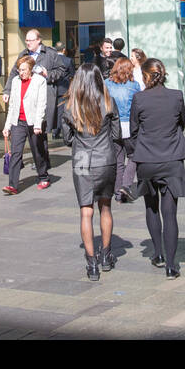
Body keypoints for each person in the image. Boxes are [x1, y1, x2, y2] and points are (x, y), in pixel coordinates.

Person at [128, 58, 185, 278]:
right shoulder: (176, 96)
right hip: (172, 159)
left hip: (147, 158)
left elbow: (134, 130)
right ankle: (172, 265)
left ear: (146, 76)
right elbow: (181, 124)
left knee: (151, 206)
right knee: (170, 212)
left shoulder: (139, 98)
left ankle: (157, 253)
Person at [62, 64, 122, 281]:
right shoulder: (108, 102)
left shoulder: (70, 106)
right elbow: (116, 133)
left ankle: (92, 263)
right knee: (105, 207)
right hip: (105, 158)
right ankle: (106, 255)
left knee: (85, 211)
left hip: (82, 159)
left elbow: (67, 139)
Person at [1, 55, 49, 193]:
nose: (20, 72)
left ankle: (43, 176)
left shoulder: (39, 81)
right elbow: (12, 106)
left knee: (37, 151)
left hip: (34, 122)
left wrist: (38, 124)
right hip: (18, 122)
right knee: (16, 153)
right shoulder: (15, 81)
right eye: (19, 70)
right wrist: (7, 126)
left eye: (23, 70)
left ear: (31, 69)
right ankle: (12, 185)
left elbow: (41, 104)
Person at [16, 29, 72, 139]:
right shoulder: (23, 54)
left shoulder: (50, 53)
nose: (28, 43)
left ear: (39, 40)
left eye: (31, 40)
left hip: (44, 95)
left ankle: (41, 155)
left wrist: (48, 74)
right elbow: (14, 72)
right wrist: (8, 91)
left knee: (40, 134)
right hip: (26, 96)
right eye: (26, 40)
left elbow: (61, 71)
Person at [105, 57, 142, 203]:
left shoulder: (107, 84)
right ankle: (125, 185)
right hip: (129, 125)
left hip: (112, 126)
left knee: (118, 159)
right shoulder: (134, 85)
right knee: (133, 156)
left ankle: (117, 190)